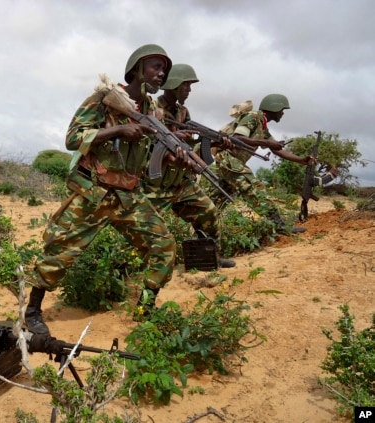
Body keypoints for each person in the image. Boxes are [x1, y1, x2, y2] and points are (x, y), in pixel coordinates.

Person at [25, 44, 192, 335]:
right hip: (95, 193)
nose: (161, 73)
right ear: (138, 69)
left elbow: (149, 149)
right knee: (58, 251)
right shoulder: (105, 98)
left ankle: (145, 308)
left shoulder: (153, 109)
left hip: (129, 196)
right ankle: (33, 310)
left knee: (164, 246)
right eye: (156, 66)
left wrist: (172, 154)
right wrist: (117, 130)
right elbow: (73, 138)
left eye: (164, 69)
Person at [147, 63, 235, 268]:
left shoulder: (183, 112)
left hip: (181, 181)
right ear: (174, 84)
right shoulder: (152, 108)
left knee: (209, 212)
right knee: (145, 229)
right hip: (156, 183)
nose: (189, 90)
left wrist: (213, 142)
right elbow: (147, 142)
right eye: (186, 85)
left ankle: (210, 257)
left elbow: (187, 143)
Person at [207, 94, 315, 234]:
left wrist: (301, 160)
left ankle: (201, 231)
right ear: (273, 107)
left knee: (217, 200)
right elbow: (238, 137)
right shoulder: (252, 117)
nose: (282, 113)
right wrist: (266, 142)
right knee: (255, 188)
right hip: (229, 160)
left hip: (231, 162)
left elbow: (277, 150)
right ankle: (278, 225)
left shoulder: (262, 126)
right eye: (281, 109)